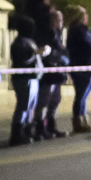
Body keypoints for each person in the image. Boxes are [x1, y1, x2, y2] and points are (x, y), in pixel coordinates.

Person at [66, 5, 91, 132]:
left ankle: (84, 120)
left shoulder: (86, 31)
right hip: (83, 68)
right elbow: (88, 46)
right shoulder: (77, 32)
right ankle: (78, 121)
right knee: (81, 95)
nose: (86, 17)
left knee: (84, 95)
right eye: (84, 15)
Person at [8, 13, 42, 146]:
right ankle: (17, 133)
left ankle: (28, 130)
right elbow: (22, 60)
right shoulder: (19, 43)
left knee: (31, 106)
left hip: (33, 77)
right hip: (24, 78)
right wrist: (35, 54)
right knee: (23, 106)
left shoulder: (30, 41)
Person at [37, 8, 68, 138]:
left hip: (57, 73)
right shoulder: (47, 34)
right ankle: (40, 128)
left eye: (61, 19)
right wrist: (59, 57)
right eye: (58, 19)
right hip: (48, 73)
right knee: (44, 102)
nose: (61, 21)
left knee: (55, 101)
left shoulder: (57, 34)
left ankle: (51, 126)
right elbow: (48, 53)